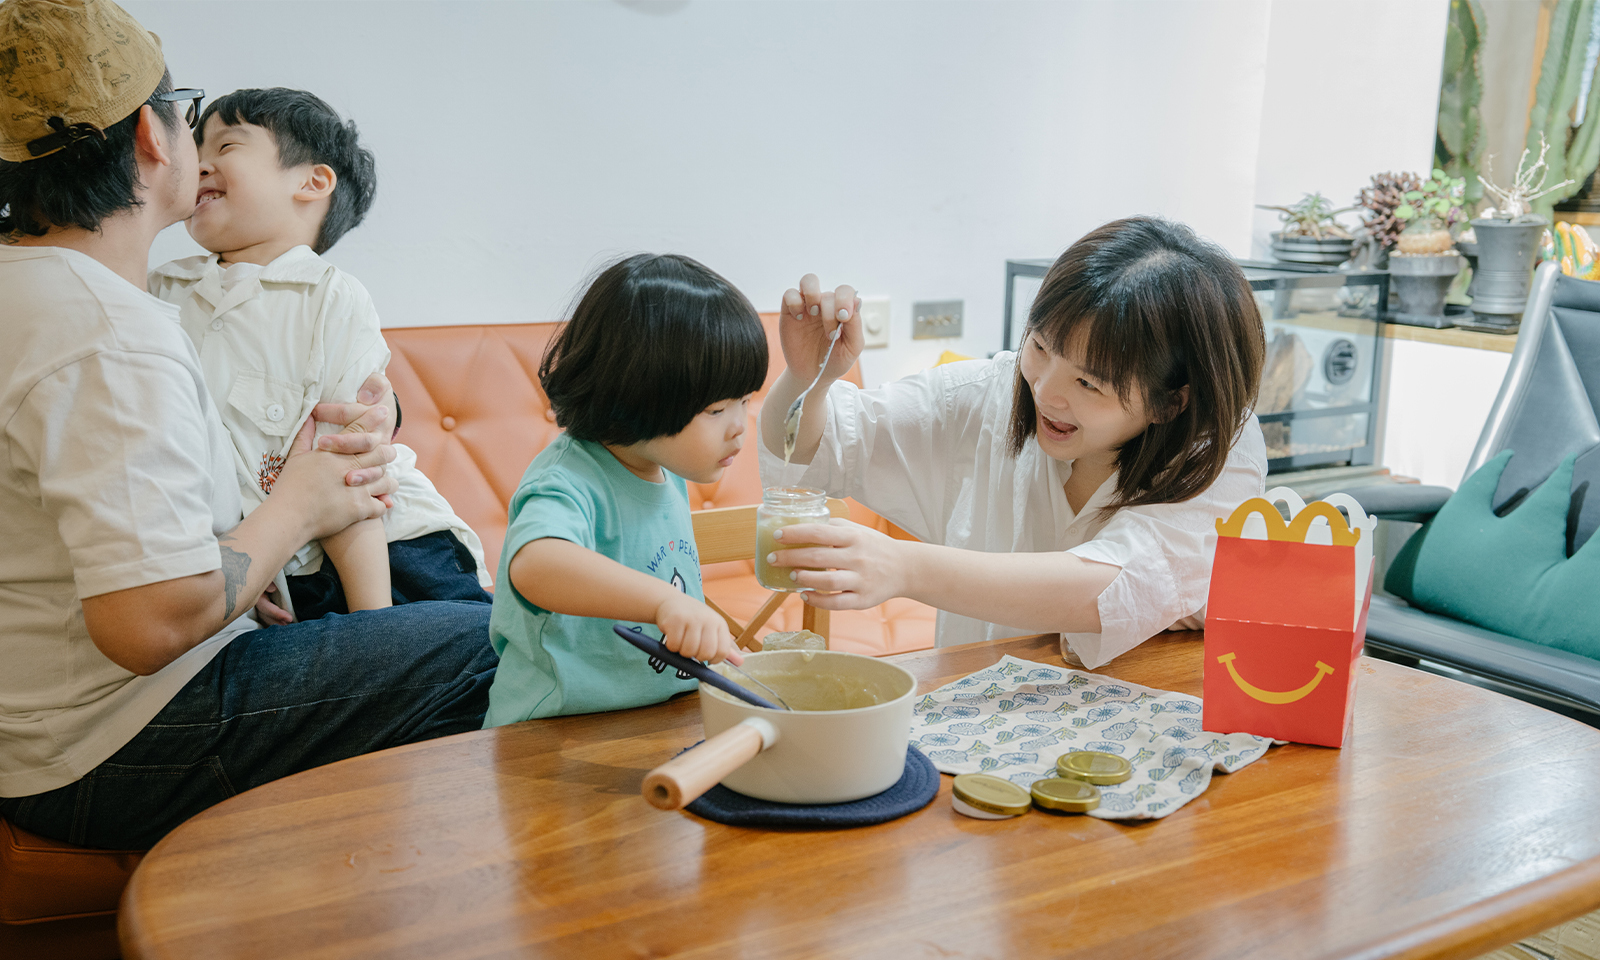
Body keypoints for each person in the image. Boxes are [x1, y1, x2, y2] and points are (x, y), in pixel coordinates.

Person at [0, 0, 495, 850]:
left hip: (47, 726)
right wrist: (295, 511)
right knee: (504, 641)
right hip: (102, 745)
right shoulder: (111, 330)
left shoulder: (47, 297)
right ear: (155, 139)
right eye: (196, 117)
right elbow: (149, 623)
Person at [759, 217, 1267, 668]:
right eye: (1041, 347)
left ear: (1170, 403)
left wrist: (904, 566)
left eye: (1088, 384)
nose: (1045, 391)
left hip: (1147, 725)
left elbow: (1113, 588)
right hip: (975, 716)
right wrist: (808, 380)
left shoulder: (1217, 450)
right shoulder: (991, 393)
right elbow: (814, 445)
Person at [148, 87, 492, 625]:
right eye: (196, 146)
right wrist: (237, 574)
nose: (200, 162)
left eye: (227, 144)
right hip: (274, 563)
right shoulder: (162, 291)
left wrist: (374, 628)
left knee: (480, 665)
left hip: (392, 557)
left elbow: (350, 469)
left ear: (312, 181)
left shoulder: (331, 298)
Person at [483, 254, 759, 725]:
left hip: (654, 718)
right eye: (716, 409)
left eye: (745, 401)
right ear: (639, 394)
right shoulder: (568, 479)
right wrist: (664, 602)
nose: (739, 426)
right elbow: (536, 564)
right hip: (555, 732)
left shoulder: (663, 465)